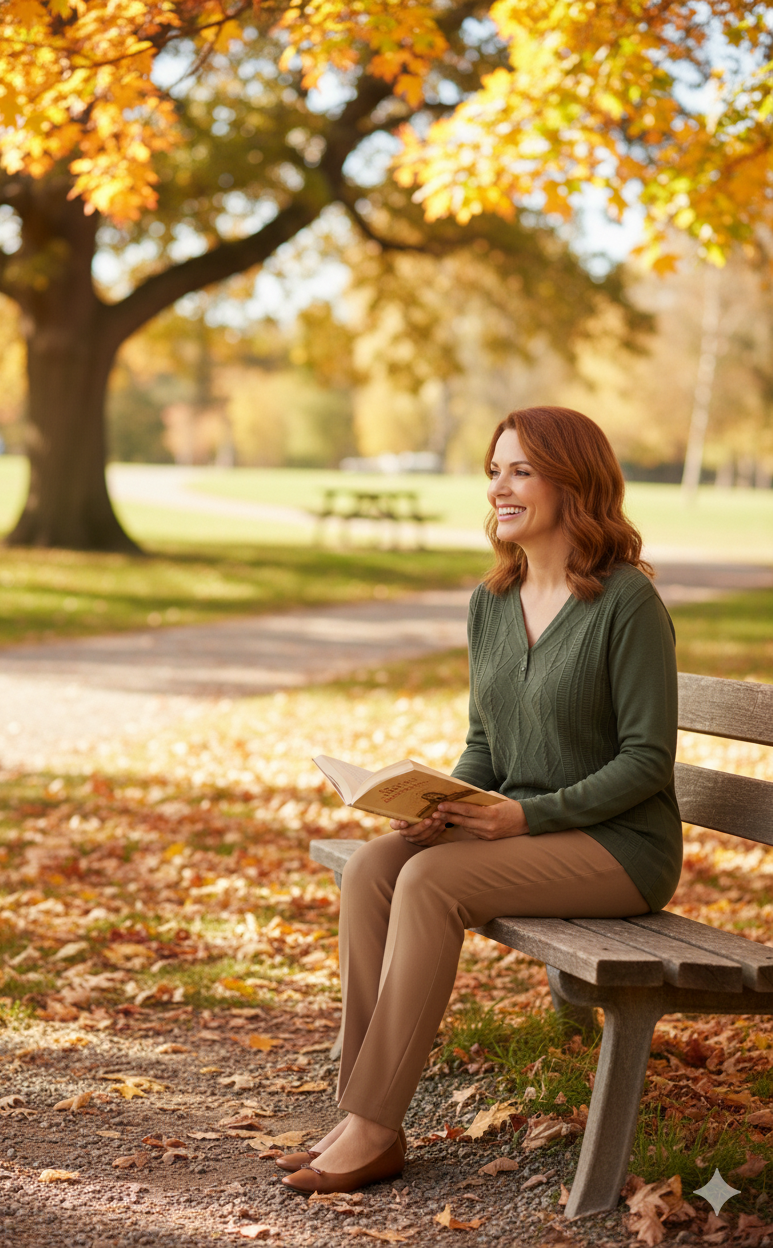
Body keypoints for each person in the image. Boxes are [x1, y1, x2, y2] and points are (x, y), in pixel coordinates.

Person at [280, 405, 683, 1196]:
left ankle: (373, 1123)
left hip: (620, 848)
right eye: (495, 470)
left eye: (521, 471)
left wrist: (522, 815)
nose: (500, 487)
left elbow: (647, 761)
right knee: (375, 866)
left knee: (434, 882)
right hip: (518, 832)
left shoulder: (626, 603)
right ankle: (362, 1112)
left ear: (576, 483)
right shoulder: (490, 603)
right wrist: (441, 803)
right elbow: (486, 748)